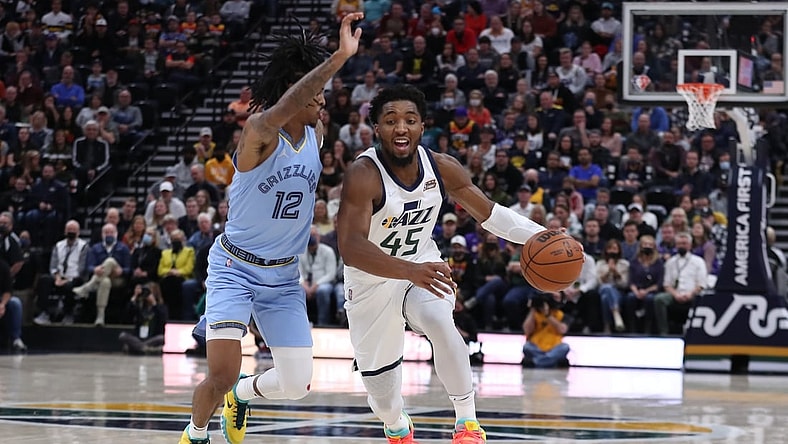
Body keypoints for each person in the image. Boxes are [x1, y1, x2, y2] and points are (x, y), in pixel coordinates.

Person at [337, 84, 564, 444]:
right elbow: (350, 247)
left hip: (422, 267)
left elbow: (490, 214)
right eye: (391, 120)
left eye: (410, 120)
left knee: (442, 321)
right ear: (376, 128)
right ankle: (397, 426)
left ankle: (467, 424)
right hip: (371, 280)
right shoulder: (363, 174)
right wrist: (408, 270)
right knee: (383, 400)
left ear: (422, 127)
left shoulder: (441, 168)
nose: (401, 128)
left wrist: (542, 235)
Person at [180, 13, 364, 444]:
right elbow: (285, 105)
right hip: (234, 268)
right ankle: (196, 433)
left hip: (283, 276)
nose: (323, 101)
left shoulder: (318, 133)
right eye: (316, 93)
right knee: (221, 373)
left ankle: (242, 396)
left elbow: (305, 104)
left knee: (298, 383)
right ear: (294, 93)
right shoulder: (259, 132)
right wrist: (339, 56)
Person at [521, 292, 570, 368]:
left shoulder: (561, 315)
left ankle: (537, 362)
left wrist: (547, 315)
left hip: (554, 347)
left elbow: (562, 330)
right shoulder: (535, 314)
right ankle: (549, 361)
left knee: (565, 347)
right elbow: (527, 330)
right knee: (527, 347)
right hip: (536, 347)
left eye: (557, 297)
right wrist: (533, 309)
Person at [118, 283, 168, 355]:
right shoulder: (139, 307)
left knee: (161, 338)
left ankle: (138, 348)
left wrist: (154, 303)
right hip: (138, 338)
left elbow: (163, 319)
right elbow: (127, 316)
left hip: (152, 338)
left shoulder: (161, 307)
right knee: (122, 335)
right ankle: (146, 349)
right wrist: (135, 296)